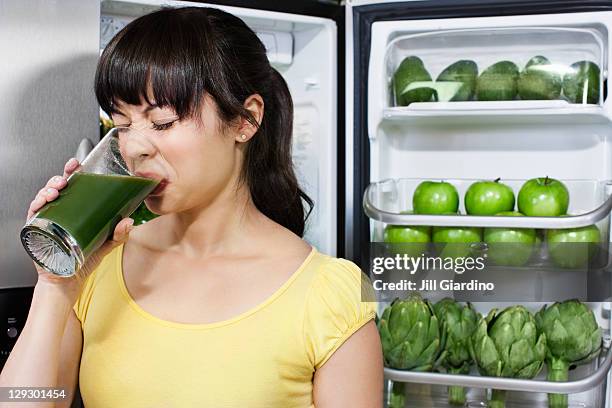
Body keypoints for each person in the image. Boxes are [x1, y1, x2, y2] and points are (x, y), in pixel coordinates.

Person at [0, 6, 383, 408]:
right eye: (121, 123)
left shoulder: (334, 293)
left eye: (162, 122)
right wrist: (54, 288)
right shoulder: (98, 265)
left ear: (245, 120)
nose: (134, 146)